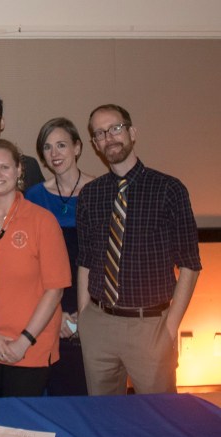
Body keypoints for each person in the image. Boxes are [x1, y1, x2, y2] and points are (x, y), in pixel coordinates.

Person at [77, 104, 201, 395]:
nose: (109, 138)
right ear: (95, 144)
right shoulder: (90, 195)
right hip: (99, 324)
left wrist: (170, 328)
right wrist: (85, 317)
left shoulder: (169, 189)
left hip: (151, 327)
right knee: (104, 419)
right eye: (100, 133)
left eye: (115, 128)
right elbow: (86, 260)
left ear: (132, 132)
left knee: (158, 421)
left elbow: (190, 264)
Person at [0, 140, 70, 397]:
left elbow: (54, 290)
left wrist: (24, 341)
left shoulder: (42, 221)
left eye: (4, 167)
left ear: (19, 169)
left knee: (21, 431)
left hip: (28, 349)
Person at [25, 118, 95, 396]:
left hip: (92, 306)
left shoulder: (100, 191)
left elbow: (107, 258)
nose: (55, 154)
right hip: (47, 306)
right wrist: (57, 315)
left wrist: (83, 315)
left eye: (62, 145)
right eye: (48, 147)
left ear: (77, 148)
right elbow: (30, 263)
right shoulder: (33, 196)